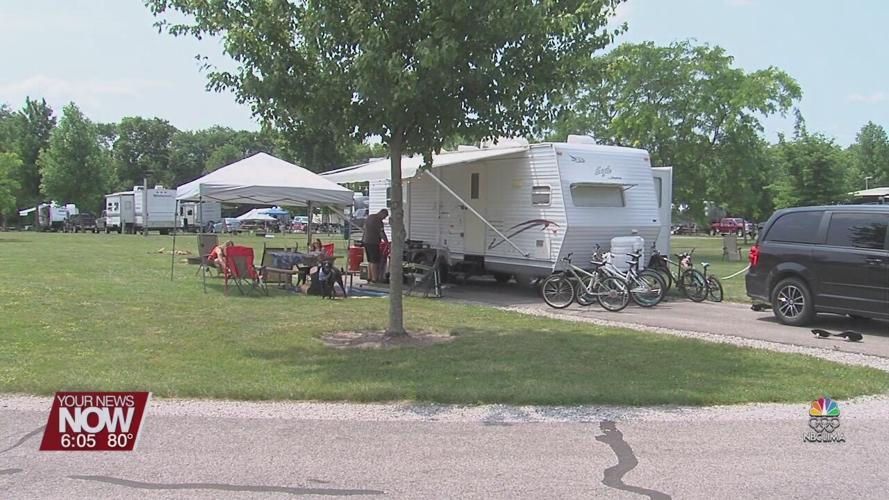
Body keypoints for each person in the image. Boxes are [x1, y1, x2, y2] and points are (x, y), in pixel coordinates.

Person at [362, 209, 389, 283]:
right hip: (373, 242)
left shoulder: (369, 217)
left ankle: (369, 277)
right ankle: (374, 279)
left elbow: (364, 228)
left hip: (366, 241)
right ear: (382, 213)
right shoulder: (378, 221)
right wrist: (387, 242)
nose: (384, 218)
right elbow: (381, 233)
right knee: (375, 261)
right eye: (385, 216)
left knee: (370, 260)